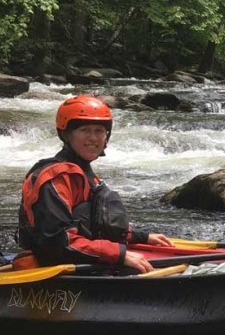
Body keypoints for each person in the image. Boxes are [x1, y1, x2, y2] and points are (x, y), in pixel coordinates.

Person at [15, 95, 172, 273]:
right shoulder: (54, 178)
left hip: (81, 262)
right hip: (53, 267)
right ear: (66, 134)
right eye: (85, 130)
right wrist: (119, 255)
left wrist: (140, 237)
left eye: (99, 131)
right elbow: (56, 242)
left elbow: (97, 226)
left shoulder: (86, 176)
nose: (93, 138)